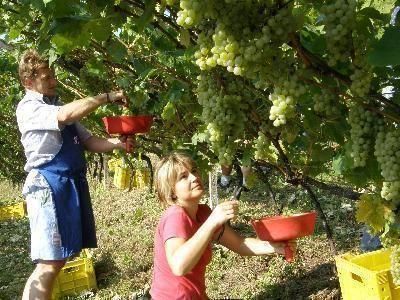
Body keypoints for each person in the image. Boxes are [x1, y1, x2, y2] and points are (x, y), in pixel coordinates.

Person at [16, 49, 135, 300]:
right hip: (47, 187)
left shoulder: (55, 104)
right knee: (49, 263)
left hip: (65, 186)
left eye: (53, 75)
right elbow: (66, 115)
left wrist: (118, 143)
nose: (53, 81)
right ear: (28, 81)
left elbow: (89, 141)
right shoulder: (29, 107)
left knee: (57, 261)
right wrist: (106, 97)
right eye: (47, 77)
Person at [150, 152, 296, 300]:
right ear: (171, 191)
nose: (194, 178)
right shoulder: (176, 216)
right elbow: (179, 266)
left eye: (194, 171)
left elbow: (239, 244)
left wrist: (274, 247)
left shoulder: (203, 213)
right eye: (183, 177)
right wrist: (212, 222)